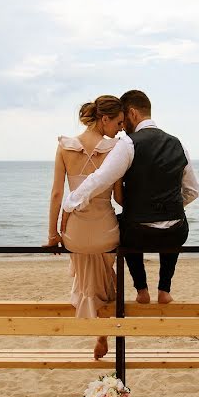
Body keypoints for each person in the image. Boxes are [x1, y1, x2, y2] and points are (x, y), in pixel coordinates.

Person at [62, 90, 199, 305]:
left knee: (124, 227)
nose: (123, 126)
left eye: (124, 120)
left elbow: (101, 178)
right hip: (174, 233)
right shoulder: (177, 143)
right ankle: (164, 290)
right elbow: (192, 191)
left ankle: (142, 290)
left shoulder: (128, 144)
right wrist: (169, 207)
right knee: (174, 225)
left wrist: (71, 202)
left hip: (138, 233)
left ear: (133, 113)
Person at [44, 95, 125, 360]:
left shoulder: (65, 147)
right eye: (118, 122)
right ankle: (103, 332)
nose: (120, 128)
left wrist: (53, 234)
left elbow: (57, 194)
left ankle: (98, 329)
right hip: (105, 231)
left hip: (75, 233)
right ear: (104, 119)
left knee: (86, 277)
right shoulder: (115, 149)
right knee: (106, 279)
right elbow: (119, 198)